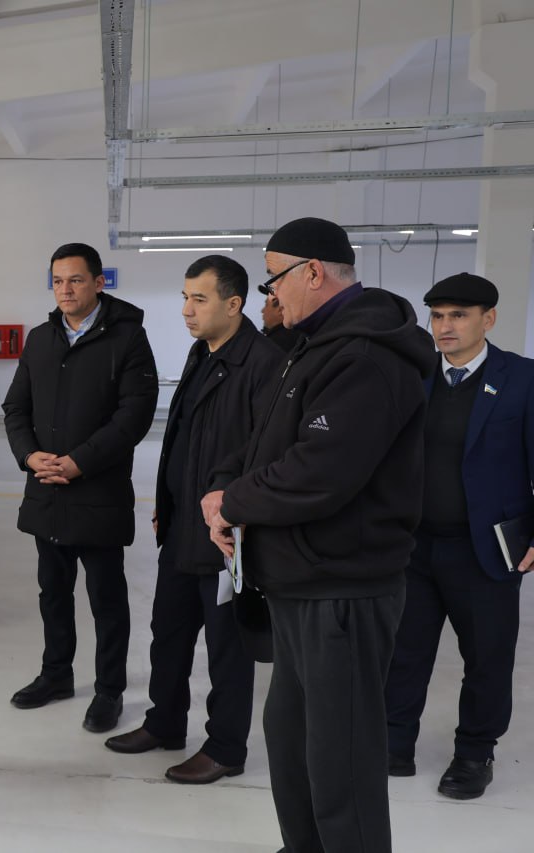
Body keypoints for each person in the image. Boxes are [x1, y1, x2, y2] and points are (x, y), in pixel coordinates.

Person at [201, 217, 435, 853]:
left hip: (342, 590)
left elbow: (319, 472)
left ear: (311, 272)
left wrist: (235, 502)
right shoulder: (310, 348)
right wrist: (223, 491)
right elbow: (262, 441)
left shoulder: (366, 358)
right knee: (291, 741)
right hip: (299, 583)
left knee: (341, 763)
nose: (269, 295)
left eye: (273, 279)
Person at [106, 255, 278, 785]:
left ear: (234, 303)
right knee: (169, 632)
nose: (186, 309)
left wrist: (233, 514)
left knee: (227, 648)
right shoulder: (201, 352)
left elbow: (263, 453)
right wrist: (168, 500)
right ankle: (165, 723)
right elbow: (181, 438)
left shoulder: (264, 364)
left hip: (228, 536)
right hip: (182, 526)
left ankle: (225, 748)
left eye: (198, 299)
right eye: (185, 297)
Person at [384, 272, 534, 800]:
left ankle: (474, 752)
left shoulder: (521, 378)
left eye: (459, 316)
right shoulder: (415, 375)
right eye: (438, 316)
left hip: (486, 549)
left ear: (488, 319)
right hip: (416, 546)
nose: (445, 326)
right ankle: (392, 743)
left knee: (487, 657)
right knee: (404, 651)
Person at [2, 242, 158, 734]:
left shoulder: (128, 338)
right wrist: (30, 456)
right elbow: (15, 408)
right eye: (57, 281)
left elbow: (134, 416)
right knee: (53, 592)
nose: (64, 289)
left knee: (106, 598)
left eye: (75, 280)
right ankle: (56, 675)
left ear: (98, 282)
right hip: (46, 490)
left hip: (98, 493)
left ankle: (109, 690)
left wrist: (79, 463)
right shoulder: (41, 339)